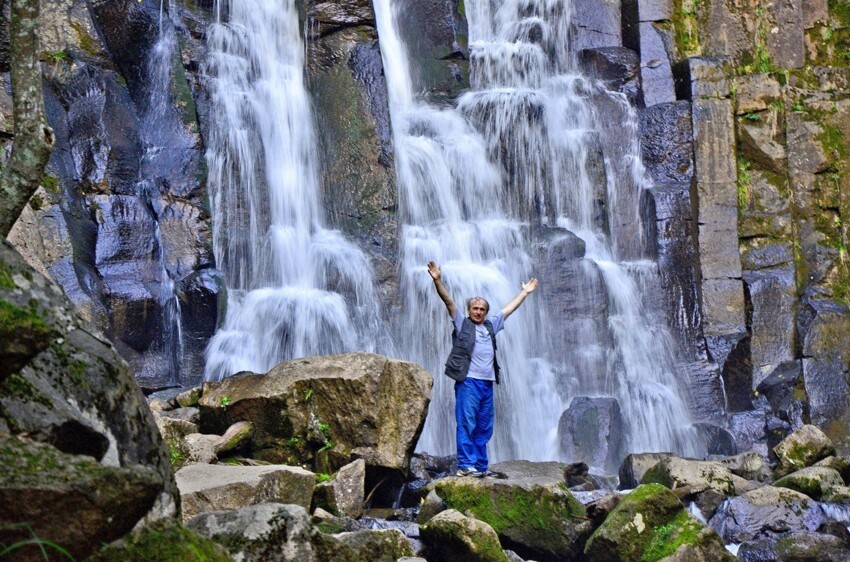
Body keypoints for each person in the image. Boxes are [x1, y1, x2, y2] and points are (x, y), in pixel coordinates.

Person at [427, 261, 538, 477]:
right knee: (466, 423)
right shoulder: (462, 324)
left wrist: (524, 293)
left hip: (487, 383)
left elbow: (508, 310)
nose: (478, 312)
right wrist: (438, 280)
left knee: (484, 427)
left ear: (486, 312)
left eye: (482, 309)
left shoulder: (490, 326)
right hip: (468, 381)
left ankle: (480, 466)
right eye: (475, 308)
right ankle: (465, 465)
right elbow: (448, 301)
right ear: (469, 310)